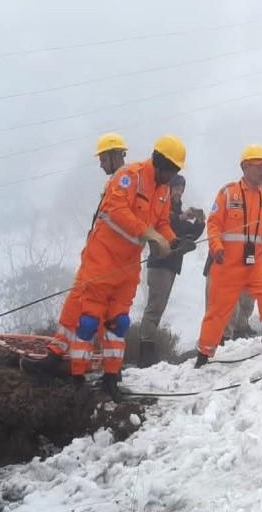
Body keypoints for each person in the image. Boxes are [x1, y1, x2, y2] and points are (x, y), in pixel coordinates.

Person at [22, 135, 188, 401]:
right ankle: (76, 376)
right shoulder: (130, 176)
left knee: (118, 323)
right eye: (169, 169)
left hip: (128, 267)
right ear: (157, 160)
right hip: (102, 259)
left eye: (175, 171)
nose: (171, 176)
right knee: (87, 320)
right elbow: (116, 209)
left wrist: (172, 239)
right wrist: (148, 233)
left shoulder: (164, 190)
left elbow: (161, 222)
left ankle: (110, 378)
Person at [194, 144, 262, 367]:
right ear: (245, 167)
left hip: (255, 264)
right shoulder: (228, 192)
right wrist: (216, 248)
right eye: (258, 167)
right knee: (217, 313)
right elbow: (213, 224)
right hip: (227, 265)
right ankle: (203, 355)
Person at [137, 174, 204, 366]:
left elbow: (188, 235)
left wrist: (200, 221)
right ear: (169, 188)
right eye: (177, 188)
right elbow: (164, 222)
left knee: (159, 306)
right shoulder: (163, 208)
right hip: (159, 263)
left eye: (182, 188)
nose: (179, 192)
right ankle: (145, 352)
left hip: (171, 265)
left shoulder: (176, 211)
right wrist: (183, 216)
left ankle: (148, 349)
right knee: (154, 307)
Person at [228, 175, 262, 338]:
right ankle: (228, 331)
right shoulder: (247, 199)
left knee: (249, 298)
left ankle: (242, 325)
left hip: (256, 257)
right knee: (235, 296)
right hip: (238, 256)